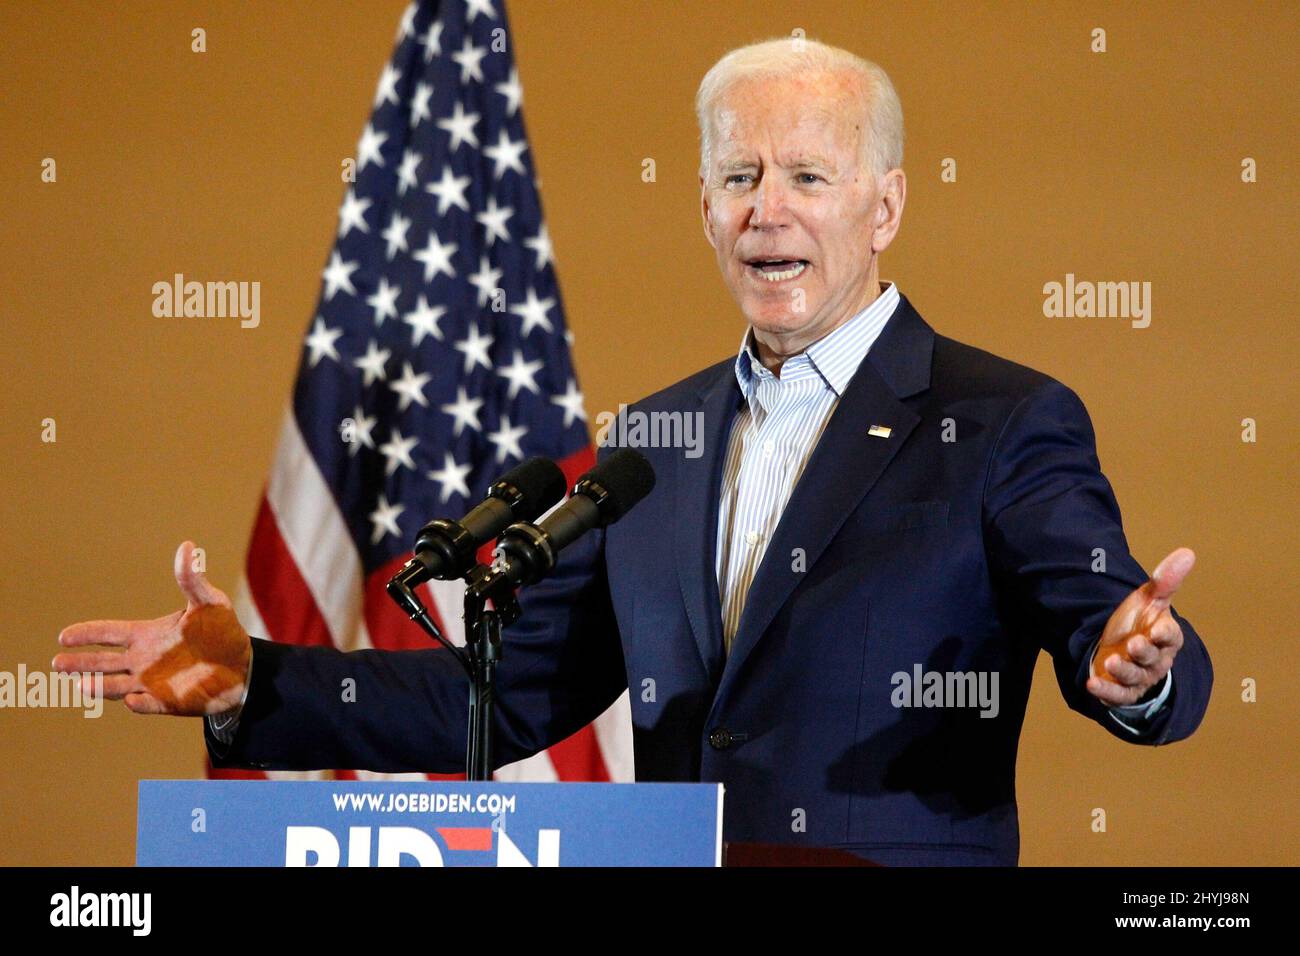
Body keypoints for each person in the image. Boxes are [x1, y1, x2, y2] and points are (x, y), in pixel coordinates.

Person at [55, 38, 1211, 865]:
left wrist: (1140, 667)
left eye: (809, 175)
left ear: (885, 205)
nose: (770, 207)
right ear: (702, 208)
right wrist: (253, 678)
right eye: (738, 177)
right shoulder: (656, 439)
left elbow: (1113, 623)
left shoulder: (1002, 417)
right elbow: (500, 696)